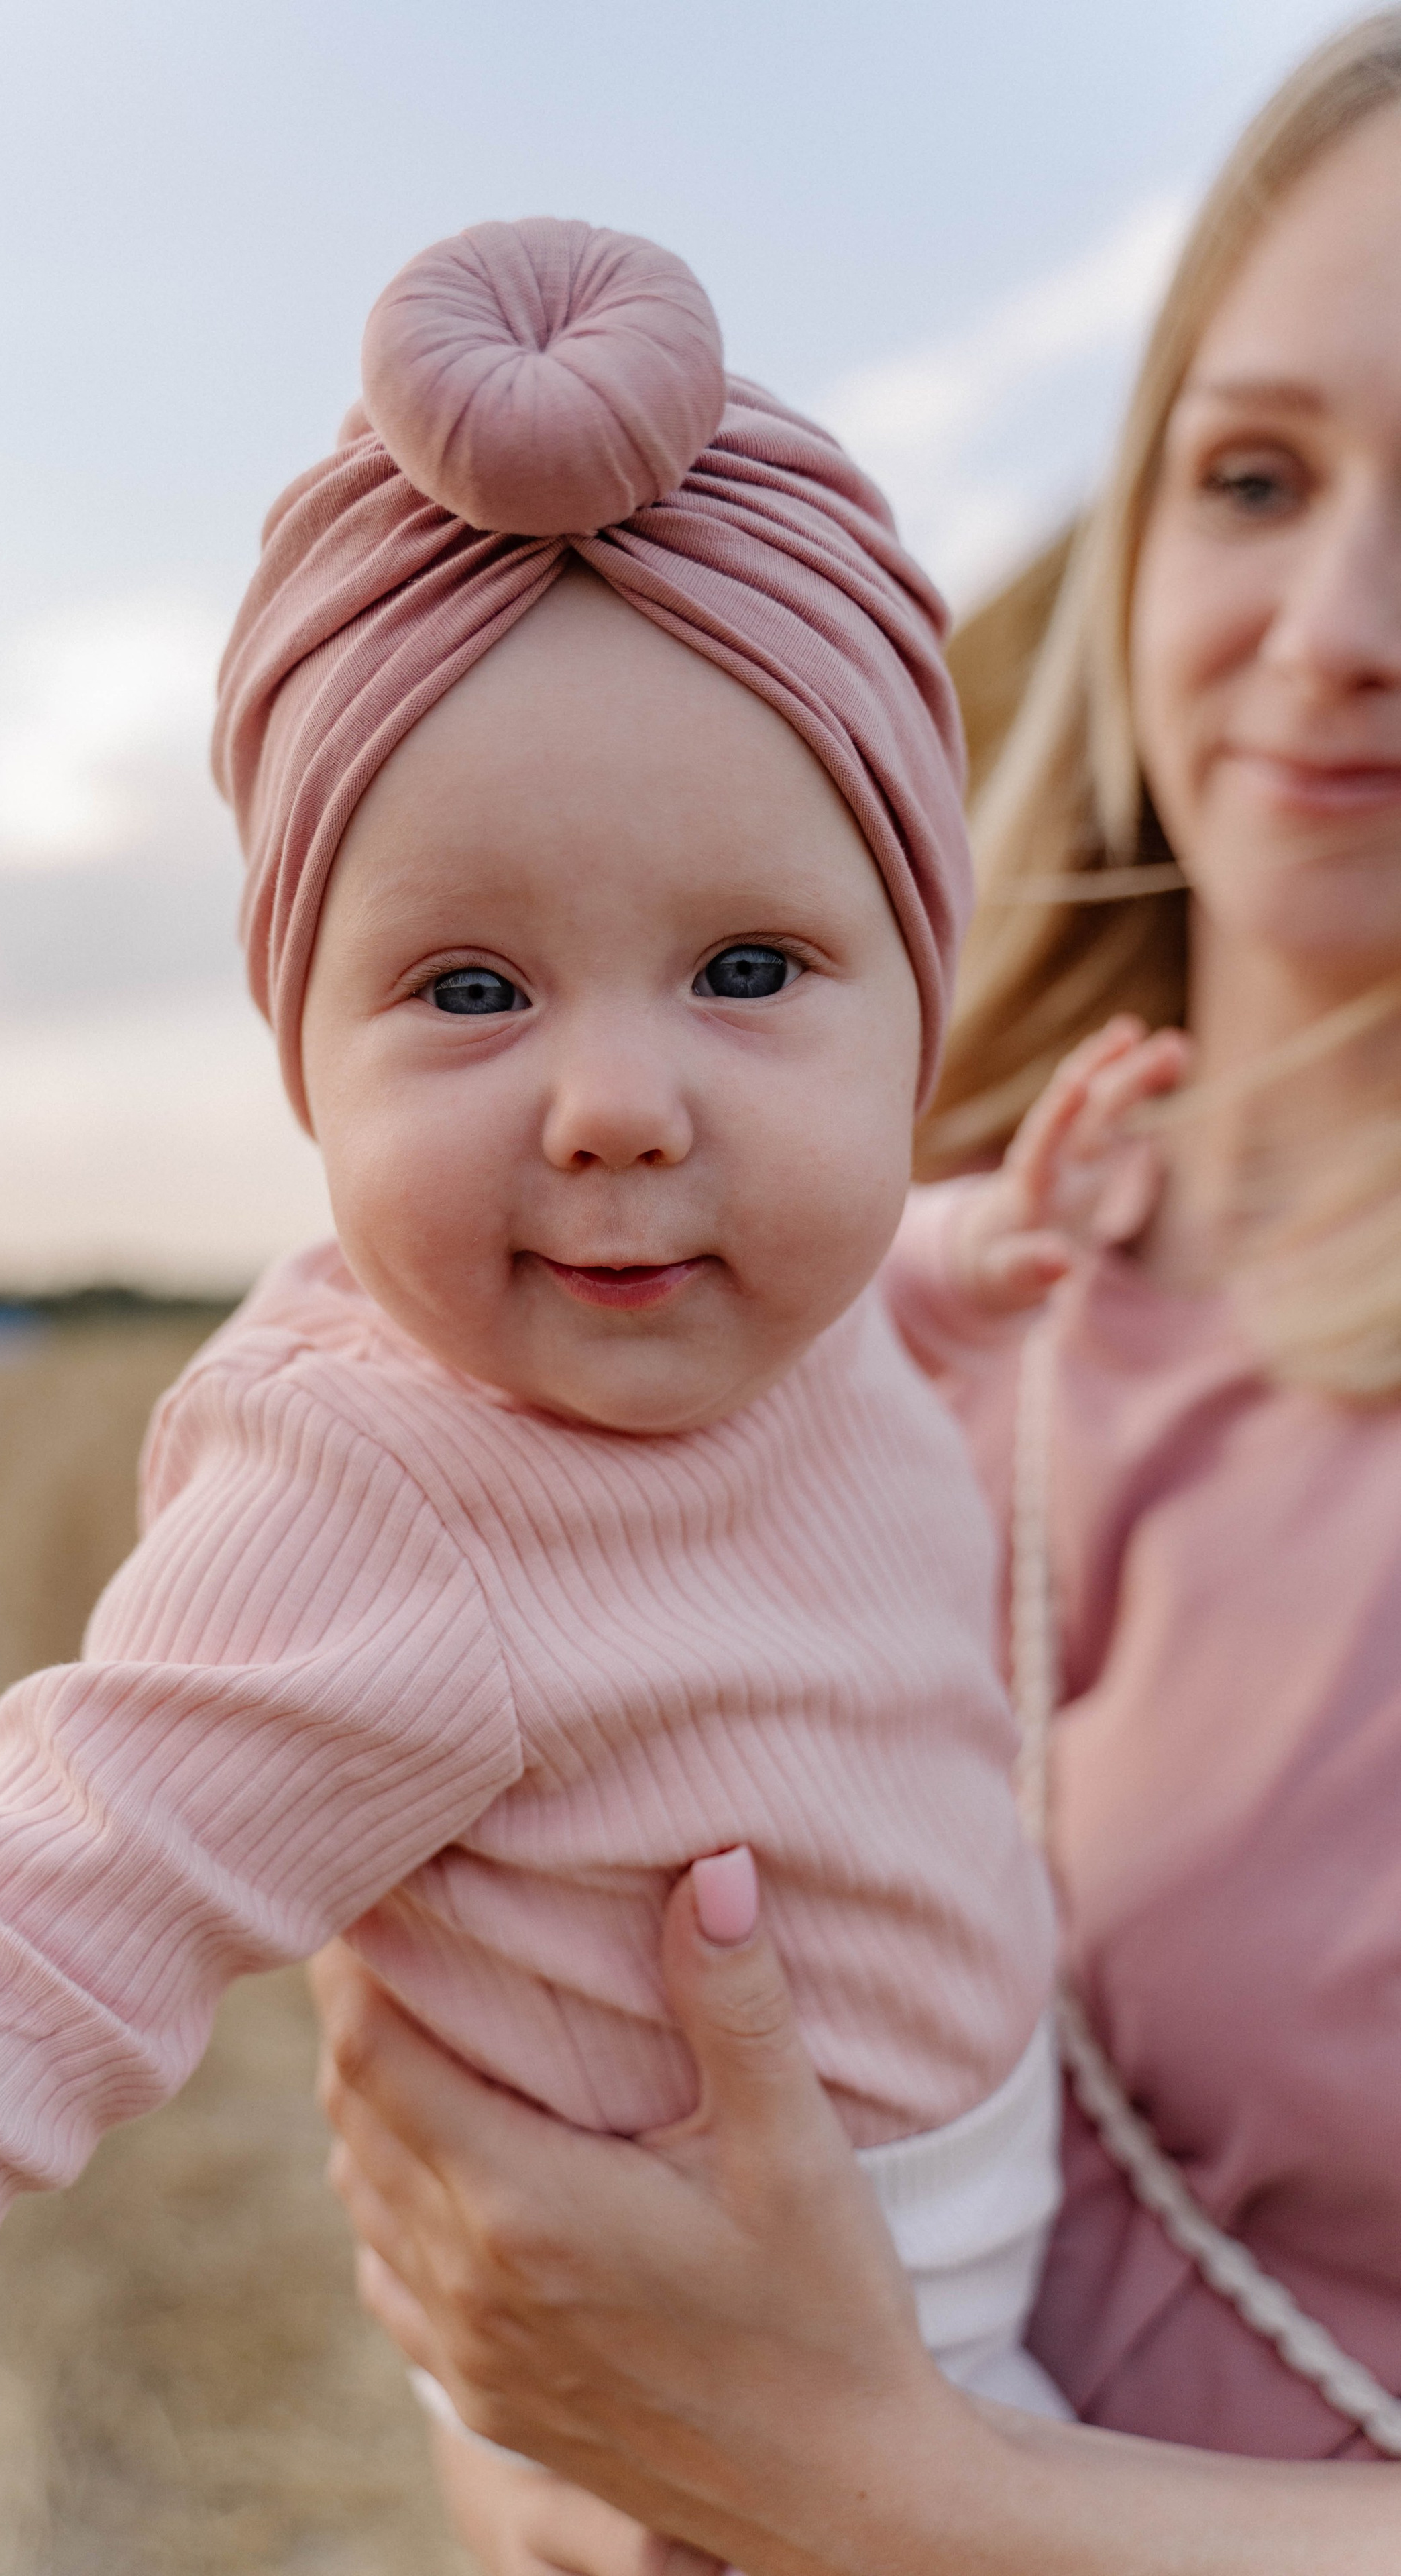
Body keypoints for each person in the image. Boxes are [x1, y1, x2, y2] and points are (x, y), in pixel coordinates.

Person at [0, 217, 1075, 2527]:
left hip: (973, 2299)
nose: (619, 1102)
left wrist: (990, 1242)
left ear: (914, 1010)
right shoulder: (388, 1500)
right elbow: (6, 1941)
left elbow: (856, 1320)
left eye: (746, 966)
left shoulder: (780, 1298)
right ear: (301, 1065)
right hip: (724, 2435)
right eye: (466, 990)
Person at [311, 11, 1401, 2568]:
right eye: (1255, 474)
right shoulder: (783, 1301)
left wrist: (883, 2496)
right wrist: (536, 2410)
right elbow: (521, 2234)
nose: (1337, 620)